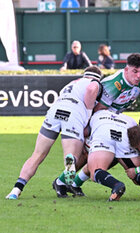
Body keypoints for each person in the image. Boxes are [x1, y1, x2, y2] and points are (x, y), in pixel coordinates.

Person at [52, 53, 140, 198]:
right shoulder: (113, 84)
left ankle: (71, 184)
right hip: (83, 119)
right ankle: (61, 182)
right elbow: (97, 109)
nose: (138, 76)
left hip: (93, 119)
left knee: (102, 157)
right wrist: (89, 129)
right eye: (135, 72)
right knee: (80, 156)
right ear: (126, 70)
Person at [6, 66, 103, 200]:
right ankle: (64, 184)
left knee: (37, 154)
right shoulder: (95, 82)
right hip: (73, 115)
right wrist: (87, 115)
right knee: (70, 159)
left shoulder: (72, 82)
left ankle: (15, 190)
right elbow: (91, 89)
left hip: (54, 112)